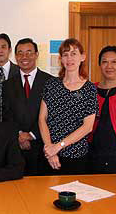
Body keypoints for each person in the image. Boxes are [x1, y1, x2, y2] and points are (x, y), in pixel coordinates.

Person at [39, 38, 98, 175]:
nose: (69, 58)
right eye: (65, 54)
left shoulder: (89, 89)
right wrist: (50, 149)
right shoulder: (51, 85)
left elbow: (87, 127)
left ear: (82, 57)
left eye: (73, 53)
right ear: (61, 59)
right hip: (50, 156)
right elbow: (42, 118)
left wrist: (58, 147)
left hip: (76, 156)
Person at [3, 38, 53, 175]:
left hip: (42, 146)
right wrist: (19, 135)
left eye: (29, 52)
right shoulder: (8, 84)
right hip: (16, 146)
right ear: (15, 56)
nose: (24, 57)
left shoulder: (50, 82)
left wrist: (31, 135)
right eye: (20, 53)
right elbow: (7, 115)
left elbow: (52, 116)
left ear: (37, 55)